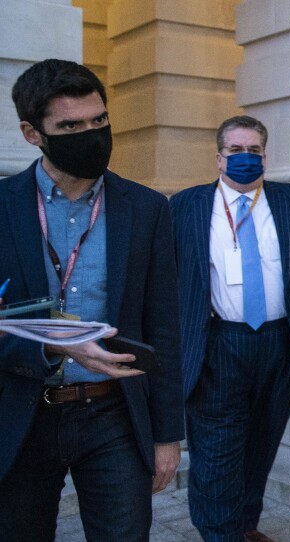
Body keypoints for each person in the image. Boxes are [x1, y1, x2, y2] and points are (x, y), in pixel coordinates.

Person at [0, 59, 184, 541]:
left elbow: (164, 325)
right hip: (20, 415)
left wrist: (168, 435)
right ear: (32, 133)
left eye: (99, 120)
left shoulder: (147, 208)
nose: (92, 135)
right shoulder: (2, 206)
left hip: (114, 415)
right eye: (71, 126)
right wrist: (50, 345)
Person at [170, 115, 290, 542]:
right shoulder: (185, 205)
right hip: (218, 344)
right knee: (216, 450)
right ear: (219, 158)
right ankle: (219, 532)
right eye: (236, 150)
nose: (245, 157)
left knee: (261, 442)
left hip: (281, 344)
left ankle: (244, 524)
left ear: (265, 157)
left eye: (254, 150)